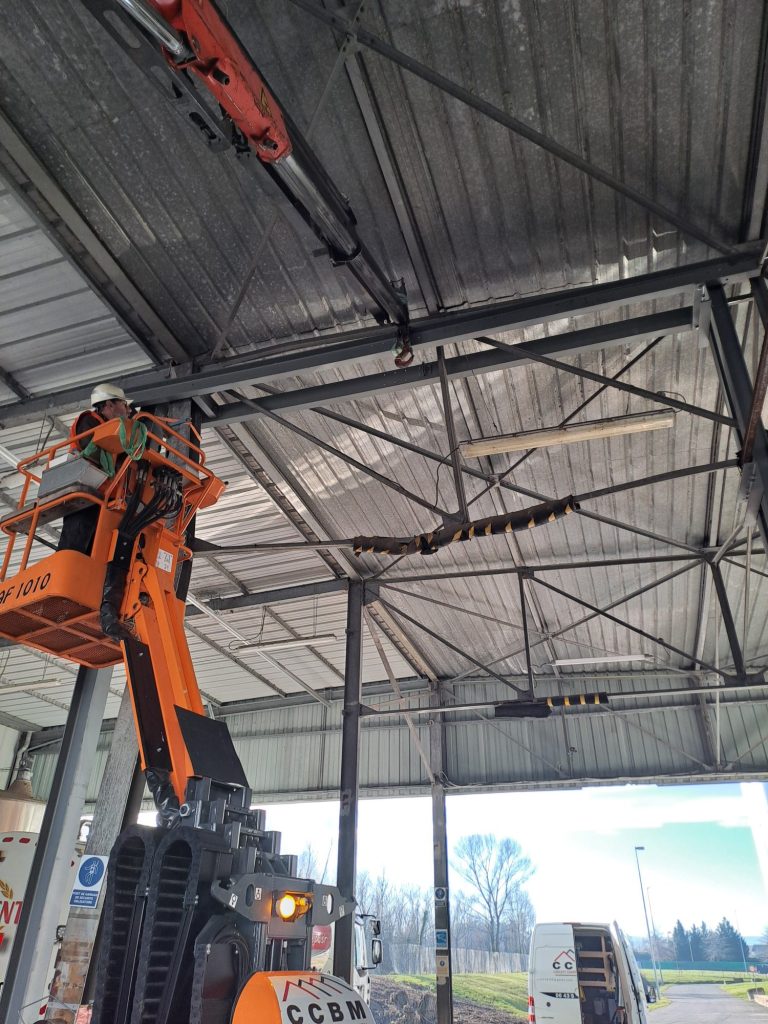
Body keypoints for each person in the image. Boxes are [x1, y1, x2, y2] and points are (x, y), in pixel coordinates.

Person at [57, 382, 133, 554]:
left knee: (95, 551)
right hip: (85, 491)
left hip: (105, 497)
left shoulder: (115, 432)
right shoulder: (89, 420)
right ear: (109, 404)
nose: (128, 410)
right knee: (75, 545)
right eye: (124, 404)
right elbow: (94, 449)